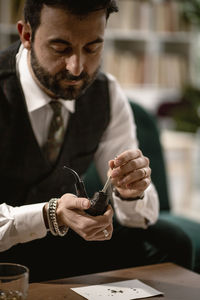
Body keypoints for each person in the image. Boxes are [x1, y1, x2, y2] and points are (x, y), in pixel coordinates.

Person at [0, 0, 192, 282]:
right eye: (61, 48)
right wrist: (49, 214)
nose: (77, 69)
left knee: (169, 244)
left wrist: (132, 191)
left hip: (59, 243)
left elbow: (138, 218)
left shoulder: (107, 93)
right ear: (26, 35)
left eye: (92, 48)